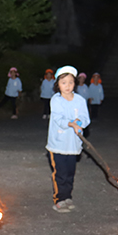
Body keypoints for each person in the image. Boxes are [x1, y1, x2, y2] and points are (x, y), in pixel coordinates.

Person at [46, 65, 90, 213]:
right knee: (60, 173)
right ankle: (59, 199)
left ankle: (67, 197)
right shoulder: (56, 100)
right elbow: (58, 118)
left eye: (70, 82)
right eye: (63, 82)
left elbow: (85, 118)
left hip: (72, 145)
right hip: (58, 144)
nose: (67, 86)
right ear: (58, 84)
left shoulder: (80, 100)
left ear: (75, 84)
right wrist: (70, 123)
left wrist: (80, 122)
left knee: (70, 173)